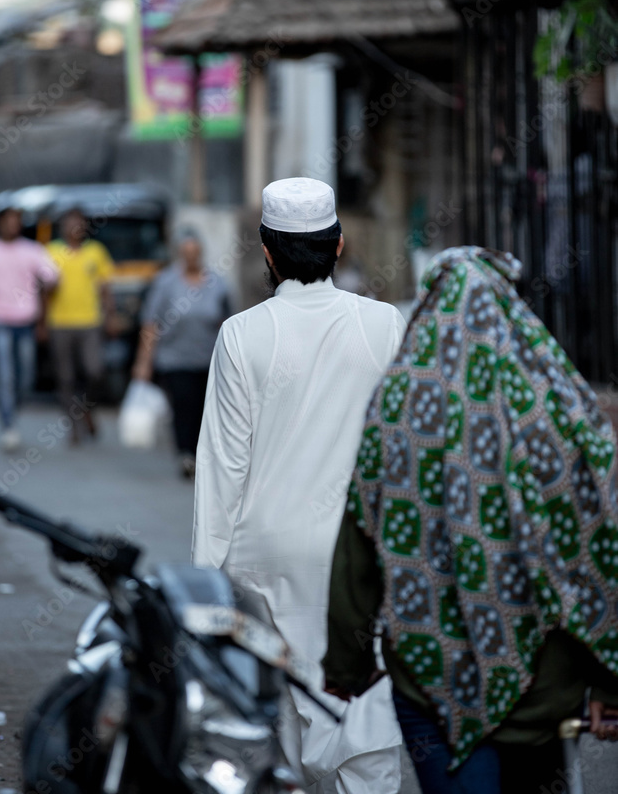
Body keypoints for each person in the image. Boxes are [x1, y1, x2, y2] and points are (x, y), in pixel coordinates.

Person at [323, 245, 618, 794]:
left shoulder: (398, 408)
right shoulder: (558, 406)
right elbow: (601, 541)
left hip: (430, 678)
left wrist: (345, 662)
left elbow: (360, 539)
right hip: (544, 688)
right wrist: (607, 682)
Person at [192, 177, 407, 794]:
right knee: (366, 736)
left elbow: (222, 468)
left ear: (267, 251)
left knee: (277, 738)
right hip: (361, 558)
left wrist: (207, 588)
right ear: (338, 246)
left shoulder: (241, 335)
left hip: (265, 557)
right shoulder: (384, 324)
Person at [133, 228, 230, 477]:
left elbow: (228, 322)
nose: (191, 257)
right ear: (179, 254)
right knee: (183, 404)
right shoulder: (166, 282)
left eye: (195, 252)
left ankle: (201, 454)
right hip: (174, 358)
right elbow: (151, 324)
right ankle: (185, 454)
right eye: (186, 253)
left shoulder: (217, 283)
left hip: (208, 358)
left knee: (203, 408)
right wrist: (144, 361)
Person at [0, 206, 59, 451]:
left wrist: (46, 280)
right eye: (7, 221)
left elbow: (53, 275)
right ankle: (8, 424)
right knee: (4, 375)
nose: (12, 225)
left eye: (16, 220)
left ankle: (10, 407)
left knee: (25, 377)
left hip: (25, 322)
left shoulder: (32, 250)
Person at [45, 208, 115, 445]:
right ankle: (73, 425)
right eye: (70, 222)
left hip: (90, 322)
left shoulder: (96, 252)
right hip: (59, 322)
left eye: (79, 222)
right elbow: (41, 290)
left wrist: (111, 316)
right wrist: (40, 321)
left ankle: (86, 408)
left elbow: (106, 288)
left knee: (95, 370)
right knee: (65, 377)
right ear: (62, 225)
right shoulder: (51, 251)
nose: (74, 227)